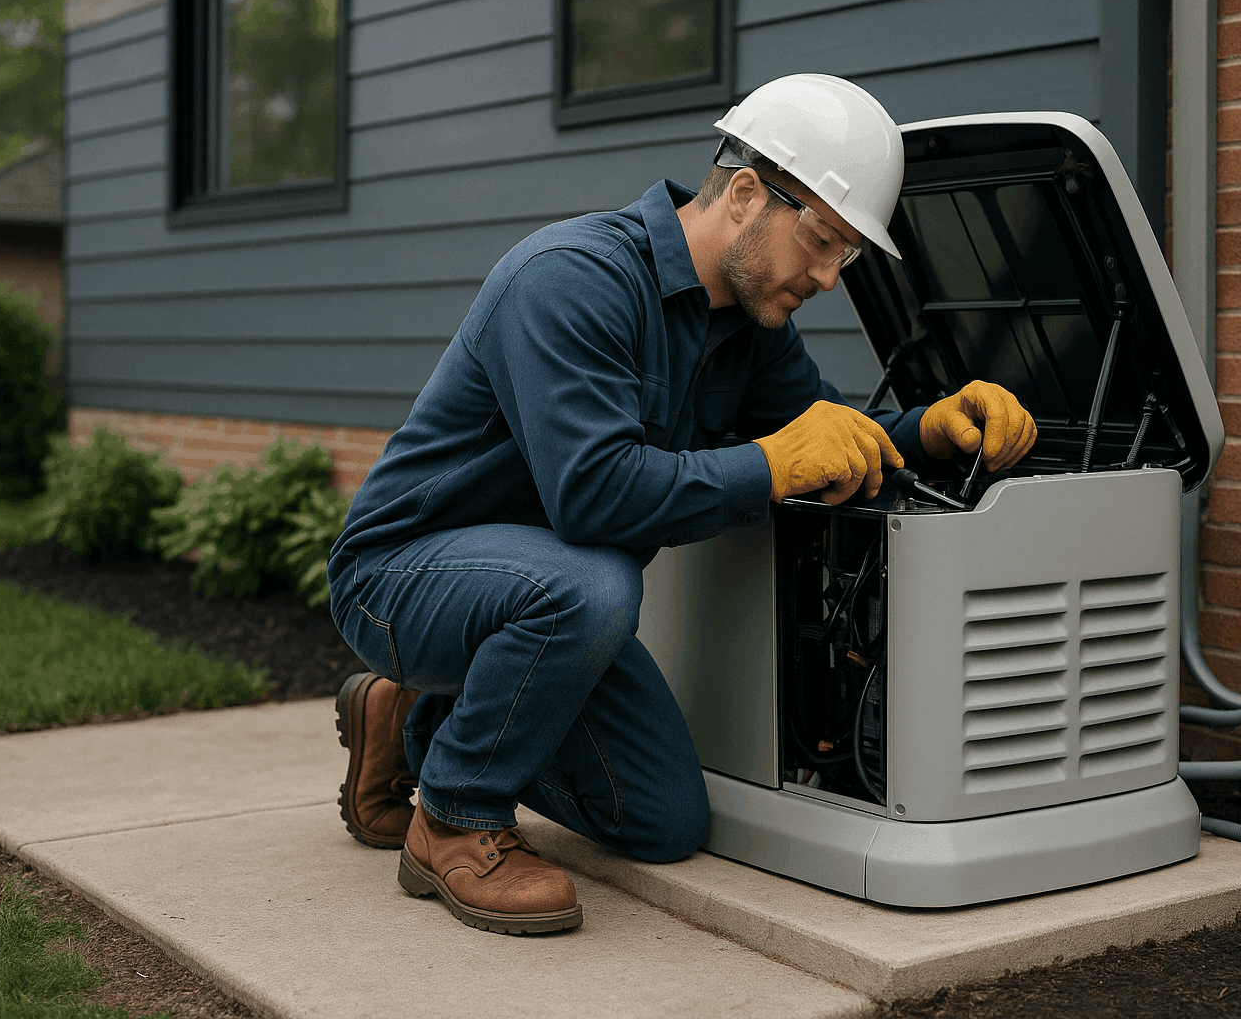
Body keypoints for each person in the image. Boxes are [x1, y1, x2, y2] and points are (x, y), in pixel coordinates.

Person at [327, 74, 1037, 935]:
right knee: (592, 586)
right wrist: (772, 464)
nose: (825, 275)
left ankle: (415, 711)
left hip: (545, 597)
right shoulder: (571, 280)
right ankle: (454, 817)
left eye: (845, 255)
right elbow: (595, 498)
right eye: (821, 240)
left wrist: (931, 429)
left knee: (660, 821)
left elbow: (816, 441)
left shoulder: (749, 320)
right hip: (404, 573)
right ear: (745, 195)